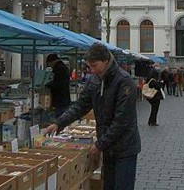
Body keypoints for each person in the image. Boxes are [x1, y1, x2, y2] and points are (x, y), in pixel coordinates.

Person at [42, 43, 141, 190]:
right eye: (90, 67)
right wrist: (59, 123)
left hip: (124, 148)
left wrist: (100, 144)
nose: (92, 70)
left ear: (106, 61)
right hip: (108, 148)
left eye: (95, 66)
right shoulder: (95, 79)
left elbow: (121, 122)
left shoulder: (124, 81)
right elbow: (81, 105)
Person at [45, 53, 71, 118]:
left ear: (53, 61)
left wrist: (48, 85)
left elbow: (58, 83)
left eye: (49, 64)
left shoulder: (59, 69)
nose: (50, 66)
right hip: (63, 97)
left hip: (60, 98)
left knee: (60, 117)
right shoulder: (62, 67)